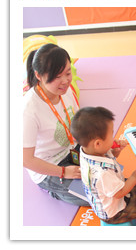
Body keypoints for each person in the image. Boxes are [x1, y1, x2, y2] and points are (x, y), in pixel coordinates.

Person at [23, 43, 89, 206]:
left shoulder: (66, 90)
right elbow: (26, 160)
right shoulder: (28, 111)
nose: (65, 81)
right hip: (50, 167)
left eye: (68, 73)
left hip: (72, 150)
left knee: (111, 182)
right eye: (57, 76)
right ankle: (56, 190)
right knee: (98, 198)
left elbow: (77, 123)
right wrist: (63, 171)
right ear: (39, 75)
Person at [71, 107, 136, 226]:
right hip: (114, 212)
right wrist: (135, 175)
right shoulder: (102, 173)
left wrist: (116, 151)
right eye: (111, 134)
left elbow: (109, 158)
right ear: (98, 143)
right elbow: (119, 193)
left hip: (110, 192)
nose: (113, 138)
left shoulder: (87, 151)